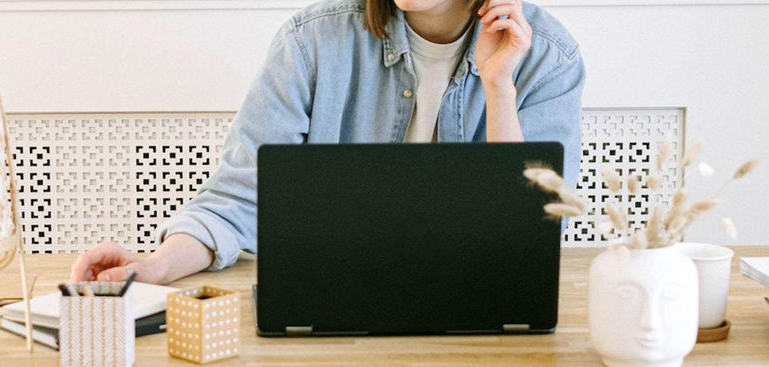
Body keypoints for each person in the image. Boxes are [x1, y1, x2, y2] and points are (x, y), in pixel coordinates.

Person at [71, 0, 585, 285]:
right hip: (335, 304)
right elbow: (239, 200)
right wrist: (154, 266)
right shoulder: (312, 41)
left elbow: (527, 236)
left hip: (476, 310)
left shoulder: (547, 57)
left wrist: (498, 86)